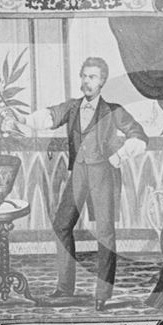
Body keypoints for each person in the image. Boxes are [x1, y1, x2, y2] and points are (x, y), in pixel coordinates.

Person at [26, 57, 147, 311]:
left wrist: (120, 156)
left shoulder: (113, 111)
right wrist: (22, 121)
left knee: (104, 233)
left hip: (104, 173)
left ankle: (103, 294)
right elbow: (50, 116)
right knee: (61, 225)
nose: (86, 82)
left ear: (102, 81)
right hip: (78, 172)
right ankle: (64, 289)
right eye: (84, 76)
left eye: (92, 77)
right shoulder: (72, 107)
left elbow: (139, 135)